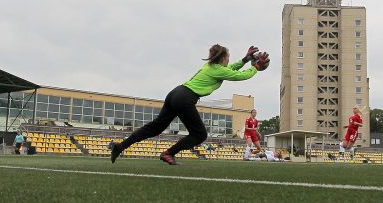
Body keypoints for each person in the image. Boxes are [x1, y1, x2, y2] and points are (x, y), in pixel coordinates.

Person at [111, 44, 270, 165]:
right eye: (228, 57)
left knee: (154, 127)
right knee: (200, 135)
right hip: (185, 98)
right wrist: (255, 66)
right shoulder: (219, 70)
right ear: (223, 59)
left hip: (175, 93)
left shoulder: (212, 66)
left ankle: (121, 146)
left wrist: (245, 59)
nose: (229, 60)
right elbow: (240, 76)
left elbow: (231, 68)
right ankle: (169, 153)